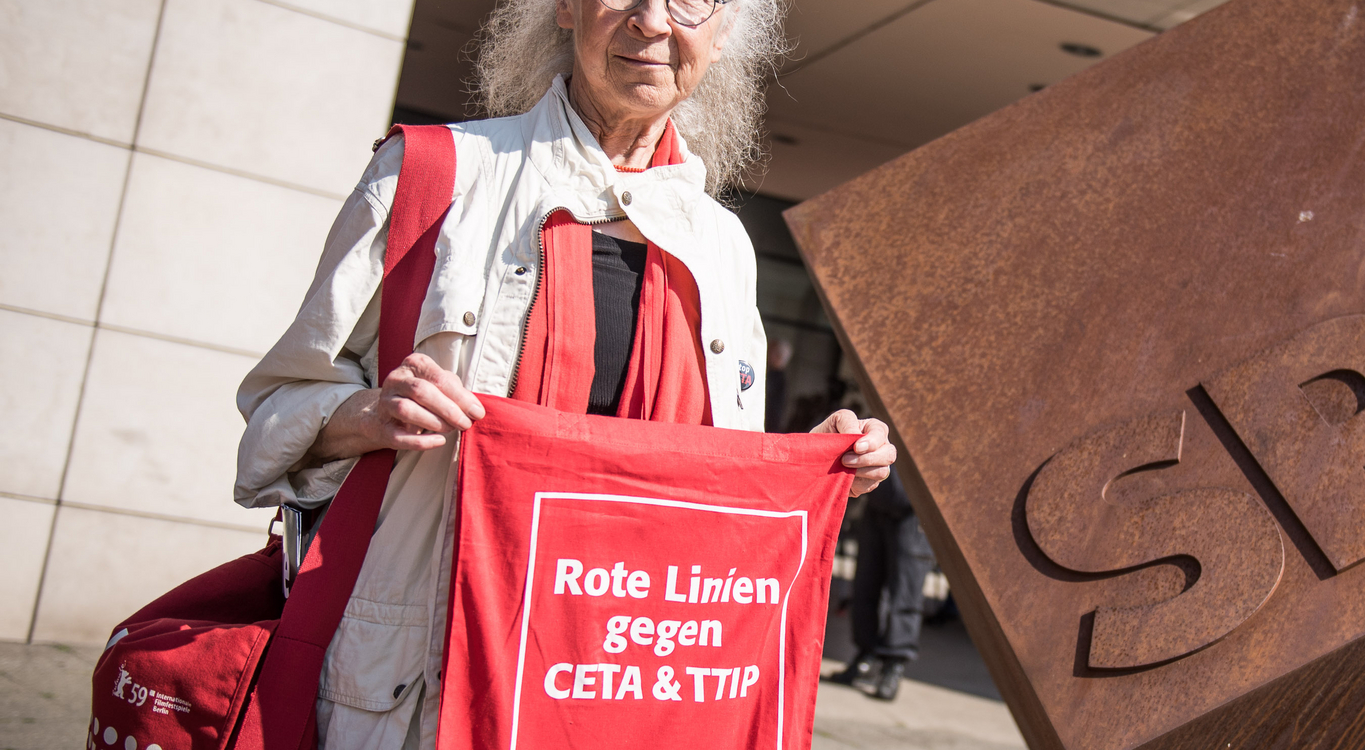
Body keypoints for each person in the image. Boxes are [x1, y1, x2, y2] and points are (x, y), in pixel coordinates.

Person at [231, 0, 897, 746]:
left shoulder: (724, 247)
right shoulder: (431, 175)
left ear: (724, 34)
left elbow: (708, 489)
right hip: (423, 686)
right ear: (565, 8)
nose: (652, 20)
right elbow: (278, 409)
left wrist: (812, 465)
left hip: (625, 690)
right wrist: (368, 416)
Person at [826, 473, 934, 701]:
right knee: (865, 585)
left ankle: (894, 664)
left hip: (915, 510)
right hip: (876, 504)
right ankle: (865, 657)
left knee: (905, 592)